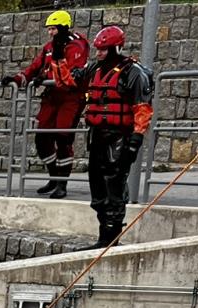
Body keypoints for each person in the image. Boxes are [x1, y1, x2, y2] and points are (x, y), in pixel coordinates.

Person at [77, 24, 153, 248]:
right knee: (98, 188)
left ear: (116, 49)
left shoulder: (133, 72)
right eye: (98, 49)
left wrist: (136, 138)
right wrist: (60, 57)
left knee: (114, 187)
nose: (99, 53)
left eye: (103, 49)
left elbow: (142, 108)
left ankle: (111, 238)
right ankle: (104, 235)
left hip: (120, 136)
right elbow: (70, 81)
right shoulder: (94, 69)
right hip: (97, 136)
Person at [2, 11, 89, 198]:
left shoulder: (77, 45)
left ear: (63, 28)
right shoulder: (49, 47)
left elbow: (71, 74)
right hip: (51, 97)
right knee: (41, 138)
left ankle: (62, 183)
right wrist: (17, 79)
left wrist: (45, 76)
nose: (50, 32)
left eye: (53, 29)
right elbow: (34, 67)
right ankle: (53, 177)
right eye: (49, 29)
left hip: (71, 98)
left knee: (63, 138)